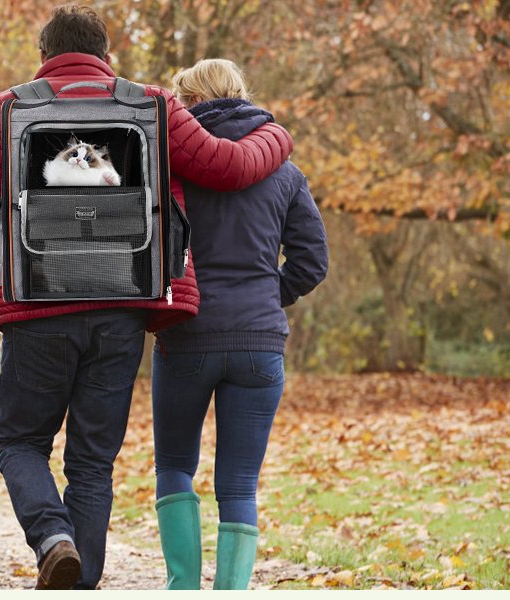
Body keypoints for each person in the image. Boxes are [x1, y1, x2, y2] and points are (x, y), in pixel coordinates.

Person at [0, 6, 295, 590]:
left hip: (35, 306)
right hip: (124, 304)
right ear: (106, 55)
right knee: (92, 462)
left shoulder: (8, 110)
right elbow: (230, 166)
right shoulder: (150, 105)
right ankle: (82, 578)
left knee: (21, 442)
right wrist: (276, 133)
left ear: (45, 56)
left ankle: (53, 539)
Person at [150, 58, 328, 590]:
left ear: (187, 102)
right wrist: (263, 297)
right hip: (259, 343)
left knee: (175, 465)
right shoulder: (286, 172)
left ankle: (183, 586)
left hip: (187, 338)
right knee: (240, 482)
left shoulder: (172, 166)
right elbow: (312, 261)